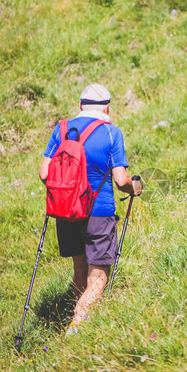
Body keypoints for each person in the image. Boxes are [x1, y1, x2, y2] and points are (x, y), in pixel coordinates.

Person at [38, 84, 142, 332]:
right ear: (107, 107)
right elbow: (120, 180)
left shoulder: (61, 130)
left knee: (80, 270)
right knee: (99, 274)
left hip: (66, 212)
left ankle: (77, 322)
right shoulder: (110, 132)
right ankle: (78, 326)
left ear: (80, 106)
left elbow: (44, 173)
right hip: (99, 212)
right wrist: (134, 187)